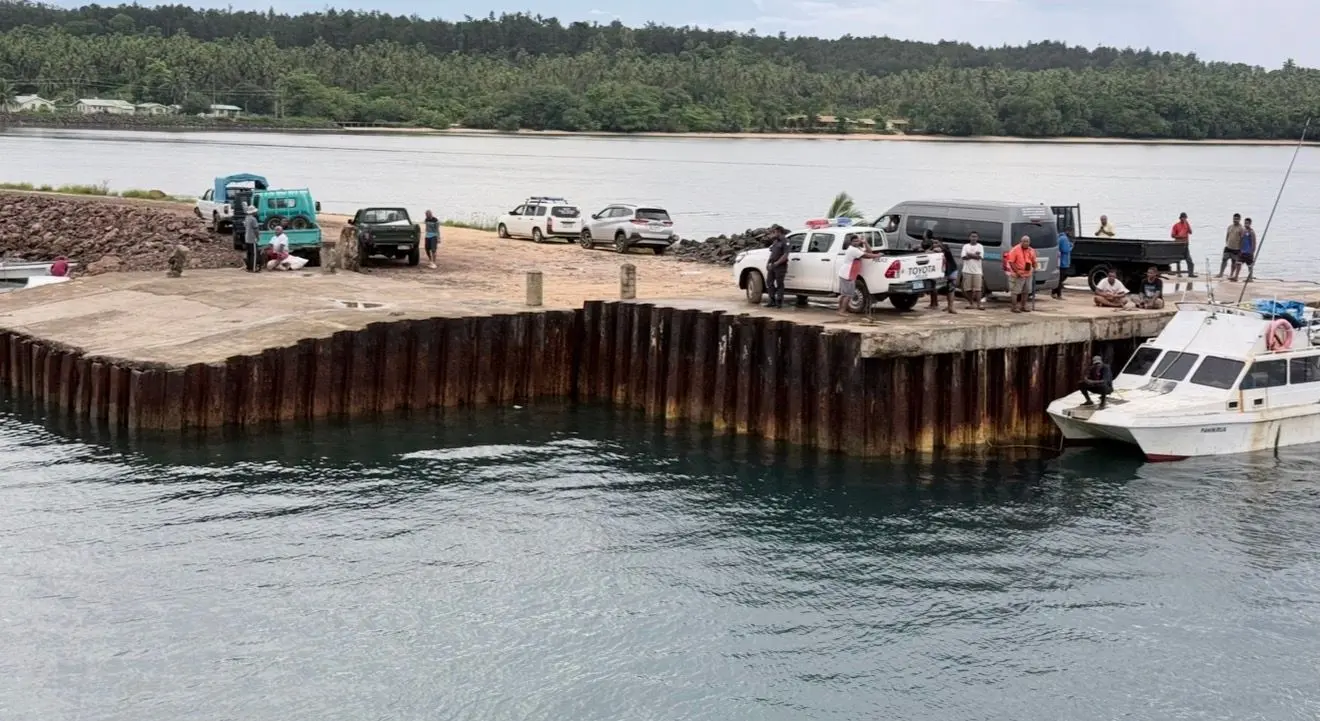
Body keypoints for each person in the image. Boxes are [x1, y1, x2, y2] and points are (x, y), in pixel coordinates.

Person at [836, 234, 880, 316]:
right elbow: (867, 255)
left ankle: (840, 310)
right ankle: (842, 311)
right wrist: (877, 255)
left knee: (844, 294)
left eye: (857, 241)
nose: (856, 242)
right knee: (848, 295)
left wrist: (865, 243)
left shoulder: (857, 249)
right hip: (847, 274)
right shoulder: (853, 250)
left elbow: (869, 252)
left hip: (847, 273)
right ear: (851, 242)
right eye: (854, 241)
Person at [1004, 235, 1037, 313]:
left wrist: (1035, 266)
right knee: (1015, 291)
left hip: (1028, 274)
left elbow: (1033, 261)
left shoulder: (1031, 250)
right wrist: (1017, 271)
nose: (1026, 243)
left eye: (1027, 241)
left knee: (1026, 291)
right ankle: (1014, 307)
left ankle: (1023, 306)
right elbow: (1011, 262)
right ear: (1021, 242)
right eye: (1024, 241)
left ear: (1029, 242)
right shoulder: (1015, 250)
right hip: (1017, 274)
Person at [960, 231, 985, 310]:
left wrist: (969, 254)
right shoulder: (965, 246)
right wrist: (974, 255)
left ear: (977, 238)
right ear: (969, 237)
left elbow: (979, 257)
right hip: (967, 271)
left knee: (978, 289)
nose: (974, 238)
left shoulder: (980, 246)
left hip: (977, 271)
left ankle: (979, 304)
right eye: (972, 236)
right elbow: (963, 257)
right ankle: (971, 303)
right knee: (967, 289)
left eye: (975, 236)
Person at [765, 225, 789, 308]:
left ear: (779, 232)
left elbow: (785, 255)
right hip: (772, 265)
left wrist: (777, 263)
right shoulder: (775, 242)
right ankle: (772, 300)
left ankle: (779, 301)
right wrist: (768, 263)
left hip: (780, 266)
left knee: (779, 283)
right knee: (769, 282)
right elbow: (772, 254)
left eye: (774, 232)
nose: (773, 234)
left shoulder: (785, 241)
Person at [933, 239, 957, 314]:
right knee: (945, 289)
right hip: (943, 272)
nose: (935, 244)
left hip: (952, 270)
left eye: (936, 242)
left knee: (951, 289)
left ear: (941, 243)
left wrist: (938, 248)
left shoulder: (945, 247)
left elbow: (944, 249)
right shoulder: (933, 250)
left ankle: (951, 306)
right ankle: (948, 305)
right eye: (933, 243)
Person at [1170, 212, 1196, 277]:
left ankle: (1191, 273)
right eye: (1183, 218)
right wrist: (1180, 237)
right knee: (1178, 259)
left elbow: (1190, 232)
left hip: (1185, 244)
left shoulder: (1186, 224)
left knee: (1189, 259)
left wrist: (1187, 224)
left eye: (1185, 218)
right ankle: (1179, 273)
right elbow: (1172, 235)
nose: (1184, 219)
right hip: (1178, 245)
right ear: (1180, 218)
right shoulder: (1176, 225)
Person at [1219, 213, 1242, 278]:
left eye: (1237, 219)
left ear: (1239, 219)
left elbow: (1242, 239)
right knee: (1224, 260)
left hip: (1236, 248)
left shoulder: (1241, 228)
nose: (1235, 220)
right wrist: (1227, 243)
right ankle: (1221, 273)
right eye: (1234, 218)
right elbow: (1227, 236)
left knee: (1233, 262)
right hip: (1228, 247)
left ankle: (1231, 274)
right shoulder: (1230, 226)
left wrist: (1240, 248)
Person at [1052, 225, 1073, 299]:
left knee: (1059, 278)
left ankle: (1054, 292)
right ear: (1067, 231)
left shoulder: (1060, 237)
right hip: (1063, 262)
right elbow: (1065, 250)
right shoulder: (1064, 239)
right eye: (1071, 232)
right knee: (1060, 279)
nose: (1071, 233)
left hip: (1060, 261)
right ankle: (1059, 294)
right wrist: (1071, 246)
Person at [1236, 217, 1256, 282]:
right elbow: (1241, 240)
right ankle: (1236, 276)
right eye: (1245, 223)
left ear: (1250, 223)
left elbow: (1253, 242)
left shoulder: (1251, 232)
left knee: (1250, 265)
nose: (1245, 224)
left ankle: (1250, 278)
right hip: (1242, 251)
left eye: (1247, 223)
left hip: (1248, 252)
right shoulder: (1243, 231)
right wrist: (1240, 249)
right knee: (1238, 263)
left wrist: (1252, 252)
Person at [244, 205, 261, 272]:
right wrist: (257, 237)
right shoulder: (253, 219)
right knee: (254, 254)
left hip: (247, 238)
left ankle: (249, 268)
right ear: (253, 212)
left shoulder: (246, 218)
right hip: (252, 238)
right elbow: (256, 229)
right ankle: (254, 268)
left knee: (249, 253)